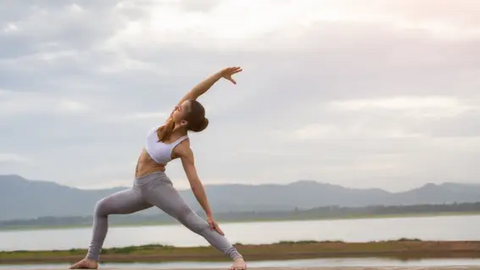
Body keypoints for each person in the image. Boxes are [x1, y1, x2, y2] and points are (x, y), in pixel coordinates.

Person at [69, 67, 247, 270]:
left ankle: (237, 257)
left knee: (193, 221)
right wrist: (217, 76)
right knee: (101, 207)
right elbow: (195, 91)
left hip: (157, 187)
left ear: (184, 122)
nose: (176, 107)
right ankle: (92, 259)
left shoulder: (183, 147)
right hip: (138, 189)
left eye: (179, 109)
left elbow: (194, 182)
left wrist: (209, 214)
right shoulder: (169, 123)